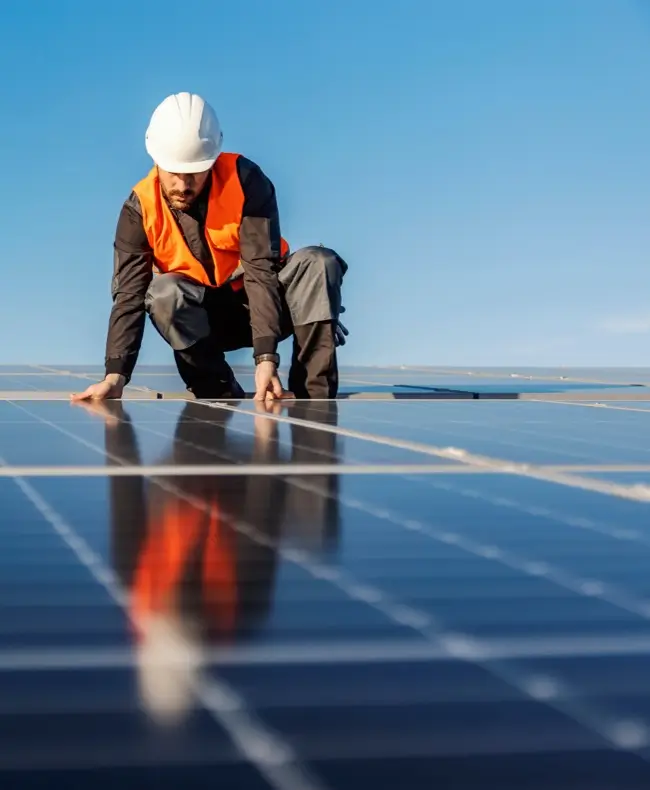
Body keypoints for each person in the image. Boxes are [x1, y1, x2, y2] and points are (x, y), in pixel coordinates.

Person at [70, 92, 349, 403]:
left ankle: (314, 399)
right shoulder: (139, 211)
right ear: (156, 160)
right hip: (205, 322)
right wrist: (115, 376)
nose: (183, 185)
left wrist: (266, 358)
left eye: (194, 173)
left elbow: (261, 270)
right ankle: (217, 393)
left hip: (269, 304)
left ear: (213, 160)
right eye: (174, 172)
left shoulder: (245, 181)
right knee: (163, 294)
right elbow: (128, 297)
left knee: (318, 263)